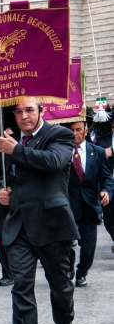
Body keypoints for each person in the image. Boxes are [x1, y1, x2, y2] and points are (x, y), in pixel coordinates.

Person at [0, 99, 79, 324]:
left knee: (61, 286)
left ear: (41, 111)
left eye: (29, 110)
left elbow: (52, 162)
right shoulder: (10, 142)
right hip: (19, 225)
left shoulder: (59, 134)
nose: (24, 116)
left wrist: (15, 150)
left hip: (52, 223)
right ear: (14, 115)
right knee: (22, 285)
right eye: (19, 111)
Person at [65, 119, 113, 287]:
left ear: (85, 131)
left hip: (90, 204)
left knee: (89, 244)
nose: (75, 134)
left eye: (78, 129)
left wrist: (106, 191)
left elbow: (107, 177)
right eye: (71, 130)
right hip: (68, 204)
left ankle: (82, 272)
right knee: (66, 241)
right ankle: (68, 267)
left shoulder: (97, 152)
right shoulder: (62, 152)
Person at [95, 117, 114, 251]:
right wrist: (103, 154)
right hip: (109, 185)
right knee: (108, 219)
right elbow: (92, 158)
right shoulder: (102, 140)